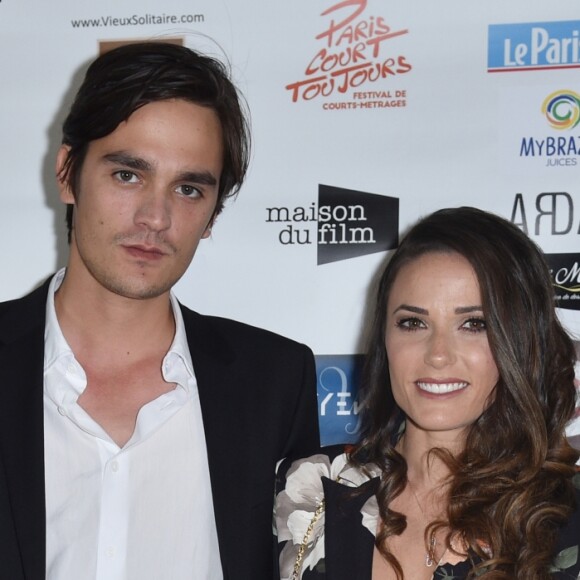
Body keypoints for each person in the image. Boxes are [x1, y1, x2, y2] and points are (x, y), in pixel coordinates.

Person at [0, 42, 319, 580]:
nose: (155, 216)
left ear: (213, 214)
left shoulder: (275, 382)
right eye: (128, 175)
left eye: (189, 188)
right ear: (66, 173)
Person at [275, 207, 580, 579]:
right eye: (413, 323)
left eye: (474, 324)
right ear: (384, 337)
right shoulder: (309, 487)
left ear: (522, 342)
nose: (437, 354)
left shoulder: (566, 513)